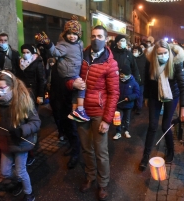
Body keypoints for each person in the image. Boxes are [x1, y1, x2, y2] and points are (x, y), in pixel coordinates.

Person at [66, 25, 119, 201]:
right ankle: (90, 177)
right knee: (86, 148)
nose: (96, 39)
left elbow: (114, 93)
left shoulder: (110, 63)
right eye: (93, 36)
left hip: (98, 112)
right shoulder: (80, 56)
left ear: (106, 39)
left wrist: (107, 119)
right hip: (81, 110)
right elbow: (69, 77)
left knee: (100, 150)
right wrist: (71, 84)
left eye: (100, 36)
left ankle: (103, 184)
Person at [140, 39, 184, 170]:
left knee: (166, 125)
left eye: (165, 53)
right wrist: (146, 97)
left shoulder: (176, 62)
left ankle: (170, 151)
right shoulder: (150, 62)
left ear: (169, 52)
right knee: (152, 125)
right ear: (155, 54)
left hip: (172, 95)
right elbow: (147, 81)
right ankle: (145, 156)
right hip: (154, 96)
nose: (162, 56)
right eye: (159, 54)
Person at [0, 71, 40, 201]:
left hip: (21, 143)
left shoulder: (23, 100)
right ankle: (18, 181)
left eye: (2, 88)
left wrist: (21, 130)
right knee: (5, 172)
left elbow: (36, 122)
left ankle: (29, 193)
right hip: (6, 143)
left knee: (20, 170)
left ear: (12, 86)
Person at [35, 15, 89, 122]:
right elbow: (55, 52)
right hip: (69, 72)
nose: (72, 36)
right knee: (82, 87)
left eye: (74, 34)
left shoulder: (79, 43)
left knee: (76, 92)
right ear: (64, 34)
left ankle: (74, 111)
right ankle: (80, 109)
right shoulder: (64, 45)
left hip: (75, 70)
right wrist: (48, 44)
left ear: (79, 35)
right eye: (69, 33)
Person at [48, 58, 81, 169]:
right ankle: (72, 146)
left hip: (70, 102)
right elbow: (53, 84)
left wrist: (74, 102)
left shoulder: (72, 65)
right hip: (59, 102)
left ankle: (76, 153)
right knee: (66, 127)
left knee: (73, 129)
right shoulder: (56, 66)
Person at [113, 64, 140, 140]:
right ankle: (118, 132)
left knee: (127, 119)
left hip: (128, 105)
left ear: (128, 74)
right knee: (118, 119)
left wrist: (129, 97)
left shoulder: (134, 83)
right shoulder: (118, 82)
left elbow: (137, 93)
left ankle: (126, 130)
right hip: (119, 105)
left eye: (123, 74)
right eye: (120, 74)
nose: (121, 75)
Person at [15, 44, 46, 108]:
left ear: (31, 52)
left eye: (27, 52)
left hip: (33, 92)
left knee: (33, 110)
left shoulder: (37, 62)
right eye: (23, 52)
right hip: (22, 91)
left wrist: (40, 95)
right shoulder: (20, 63)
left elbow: (41, 80)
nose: (25, 54)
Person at [132, 46, 149, 114]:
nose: (134, 52)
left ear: (139, 51)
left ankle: (139, 107)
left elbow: (145, 70)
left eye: (135, 51)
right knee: (133, 93)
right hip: (133, 80)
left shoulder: (144, 59)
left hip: (141, 80)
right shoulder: (132, 58)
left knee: (140, 94)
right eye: (133, 51)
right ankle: (134, 106)